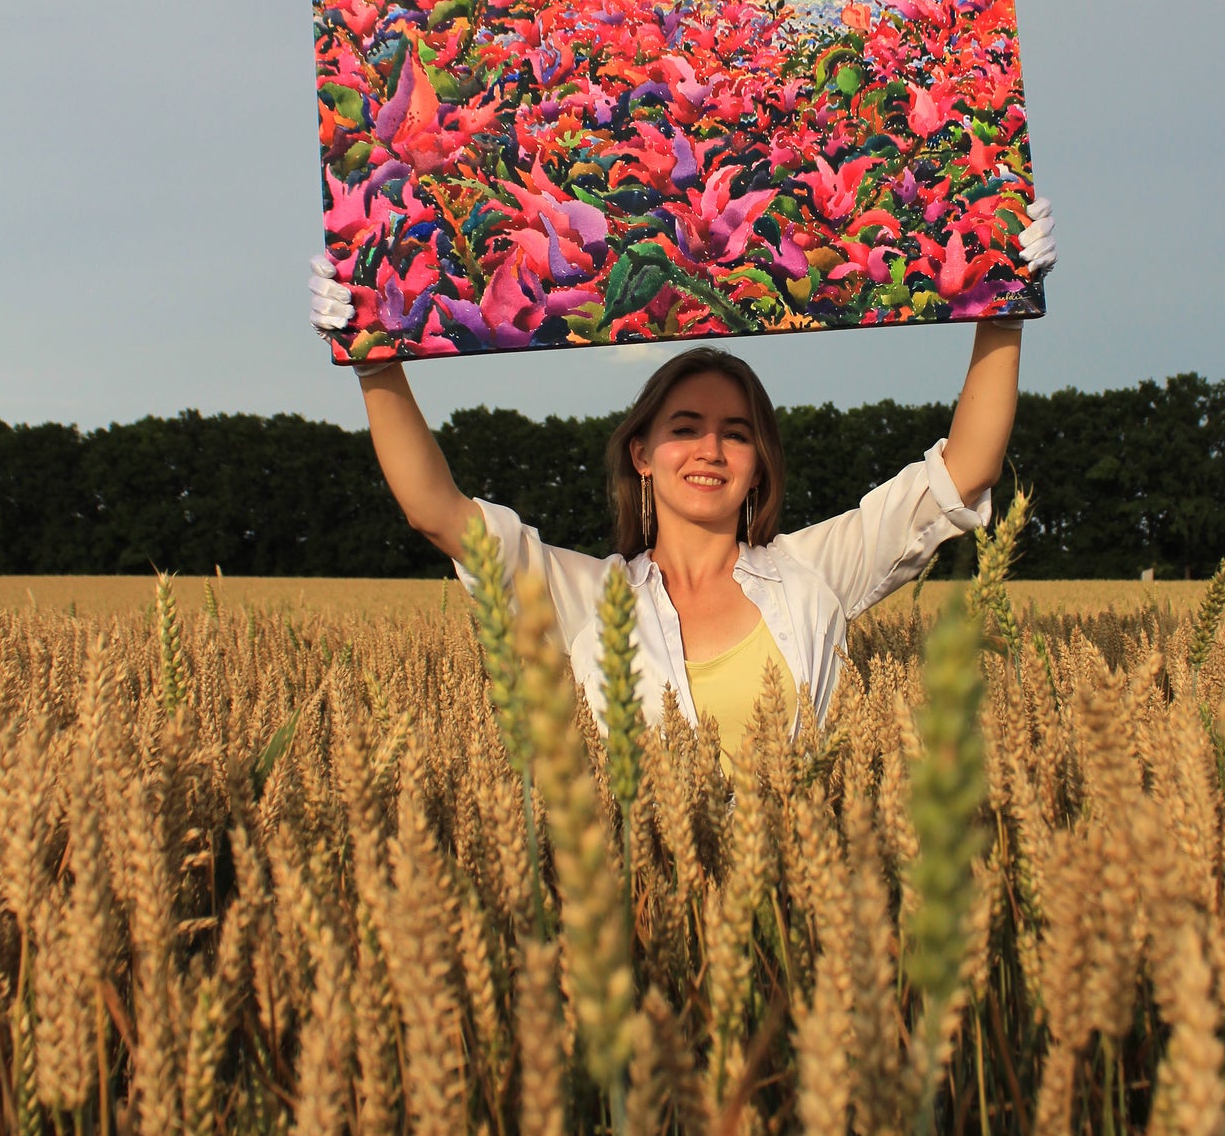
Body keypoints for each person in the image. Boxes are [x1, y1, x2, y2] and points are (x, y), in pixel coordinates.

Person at [308, 201, 1055, 768]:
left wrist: (1005, 308)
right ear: (640, 452)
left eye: (737, 433)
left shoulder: (811, 574)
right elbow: (437, 512)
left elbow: (965, 471)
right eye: (685, 427)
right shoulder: (588, 599)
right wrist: (375, 360)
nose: (710, 450)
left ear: (760, 460)